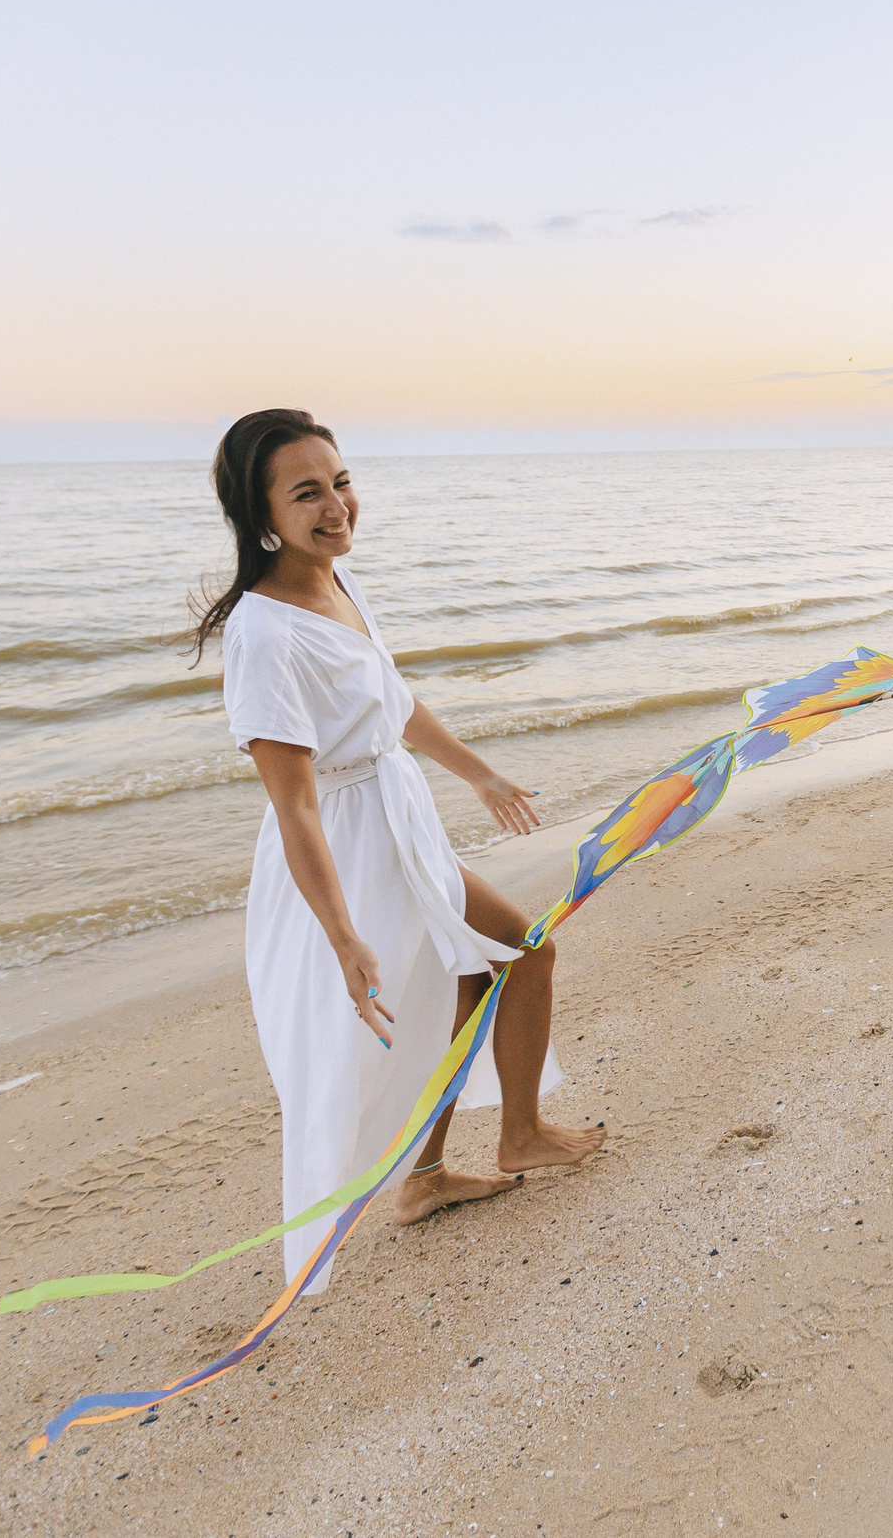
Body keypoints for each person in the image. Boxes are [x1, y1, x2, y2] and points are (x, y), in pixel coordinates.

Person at [189, 409, 605, 1292]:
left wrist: (480, 776)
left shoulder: (336, 583)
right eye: (306, 492)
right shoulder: (262, 633)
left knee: (499, 961)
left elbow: (395, 702)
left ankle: (457, 1162)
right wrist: (341, 933)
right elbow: (295, 805)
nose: (335, 504)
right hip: (347, 843)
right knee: (504, 957)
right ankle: (478, 1148)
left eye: (339, 481)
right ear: (262, 516)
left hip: (398, 821)